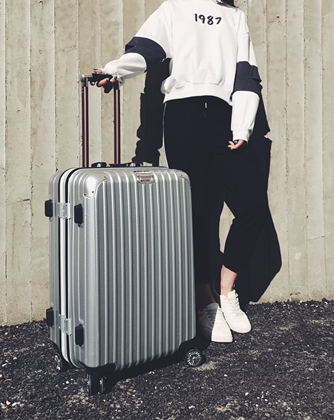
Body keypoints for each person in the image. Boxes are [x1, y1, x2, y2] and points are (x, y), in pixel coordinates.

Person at [95, 0, 270, 344]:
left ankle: (226, 290)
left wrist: (242, 126)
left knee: (252, 206)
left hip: (224, 115)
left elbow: (246, 73)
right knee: (197, 213)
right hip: (182, 114)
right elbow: (147, 49)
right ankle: (205, 301)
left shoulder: (234, 16)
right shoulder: (174, 8)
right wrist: (116, 71)